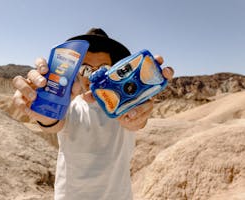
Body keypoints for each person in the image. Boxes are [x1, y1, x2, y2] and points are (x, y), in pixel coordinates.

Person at [12, 28, 174, 200]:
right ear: (76, 71)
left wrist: (136, 117)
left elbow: (135, 122)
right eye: (86, 69)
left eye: (103, 68)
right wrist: (42, 104)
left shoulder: (124, 107)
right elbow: (52, 122)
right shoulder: (67, 105)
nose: (94, 76)